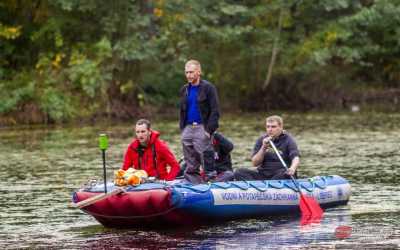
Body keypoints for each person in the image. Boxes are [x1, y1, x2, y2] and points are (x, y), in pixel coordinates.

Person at [179, 59, 220, 184]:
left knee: (206, 155)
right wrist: (182, 128)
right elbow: (182, 110)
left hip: (203, 126)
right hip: (188, 127)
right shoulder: (184, 89)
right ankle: (192, 181)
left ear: (199, 72)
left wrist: (209, 130)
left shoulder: (208, 88)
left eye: (191, 72)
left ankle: (211, 180)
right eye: (187, 72)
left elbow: (215, 110)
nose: (189, 75)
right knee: (189, 158)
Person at [234, 115, 300, 181]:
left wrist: (292, 168)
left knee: (284, 174)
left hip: (281, 173)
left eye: (273, 127)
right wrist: (263, 147)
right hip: (264, 174)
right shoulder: (262, 139)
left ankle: (266, 186)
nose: (270, 129)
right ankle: (261, 186)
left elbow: (295, 158)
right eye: (268, 127)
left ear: (280, 127)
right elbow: (255, 163)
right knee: (239, 172)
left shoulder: (288, 140)